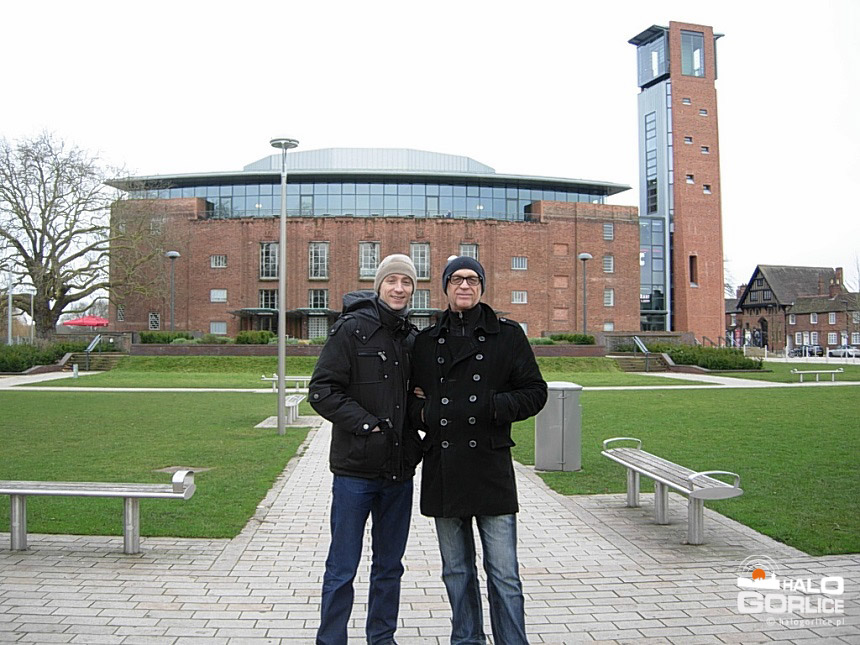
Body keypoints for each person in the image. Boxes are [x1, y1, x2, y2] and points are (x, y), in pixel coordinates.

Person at [409, 256, 547, 645]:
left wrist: (491, 405)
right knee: (456, 571)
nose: (464, 286)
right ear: (445, 287)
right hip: (444, 467)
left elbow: (535, 392)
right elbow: (408, 401)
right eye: (456, 279)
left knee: (504, 572)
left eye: (472, 279)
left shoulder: (508, 336)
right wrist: (426, 412)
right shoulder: (426, 341)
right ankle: (466, 639)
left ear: (482, 286)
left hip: (490, 464)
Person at [309, 253, 424, 645]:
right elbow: (322, 391)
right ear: (379, 286)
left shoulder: (411, 338)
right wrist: (367, 425)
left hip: (398, 473)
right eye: (392, 280)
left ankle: (382, 638)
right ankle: (331, 640)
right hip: (354, 472)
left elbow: (416, 399)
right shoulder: (351, 329)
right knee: (342, 567)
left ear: (413, 288)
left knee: (389, 567)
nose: (399, 288)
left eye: (406, 282)